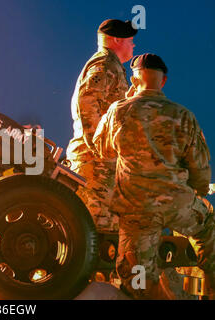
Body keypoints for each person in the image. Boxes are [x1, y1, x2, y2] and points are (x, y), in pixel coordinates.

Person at [93, 53, 214, 299]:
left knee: (136, 277)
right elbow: (200, 172)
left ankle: (147, 289)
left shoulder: (119, 111)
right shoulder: (183, 115)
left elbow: (101, 148)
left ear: (134, 80)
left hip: (137, 209)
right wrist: (195, 194)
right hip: (176, 203)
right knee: (207, 228)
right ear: (164, 81)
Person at [66, 19, 138, 232]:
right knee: (94, 232)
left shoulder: (111, 66)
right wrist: (101, 147)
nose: (133, 46)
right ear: (117, 39)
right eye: (130, 41)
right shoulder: (104, 64)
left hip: (103, 167)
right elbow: (86, 102)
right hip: (95, 167)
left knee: (107, 232)